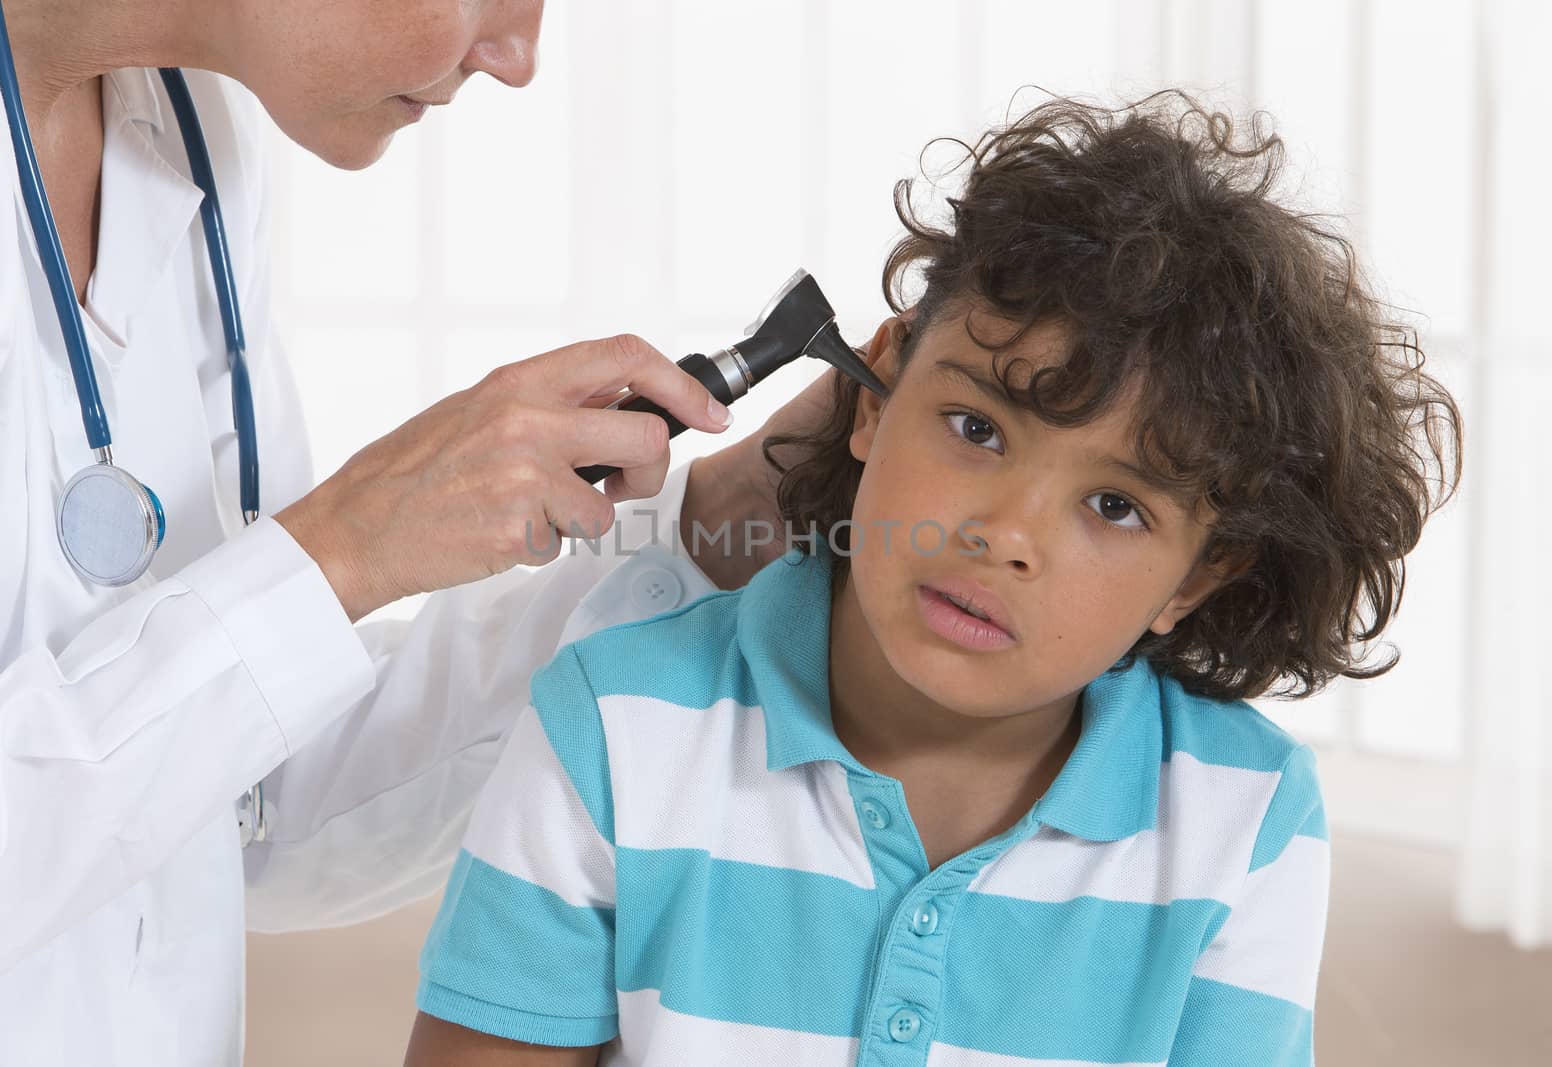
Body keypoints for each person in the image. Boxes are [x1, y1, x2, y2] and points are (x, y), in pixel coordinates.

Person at [403, 92, 1464, 1066]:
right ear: (874, 394)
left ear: (1197, 575)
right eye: (975, 427)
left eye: (1115, 505)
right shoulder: (612, 723)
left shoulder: (1246, 813)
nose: (1004, 534)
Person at [0, 0, 822, 1063]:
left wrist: (707, 533)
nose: (516, 59)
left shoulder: (194, 129)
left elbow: (240, 814)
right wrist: (344, 548)